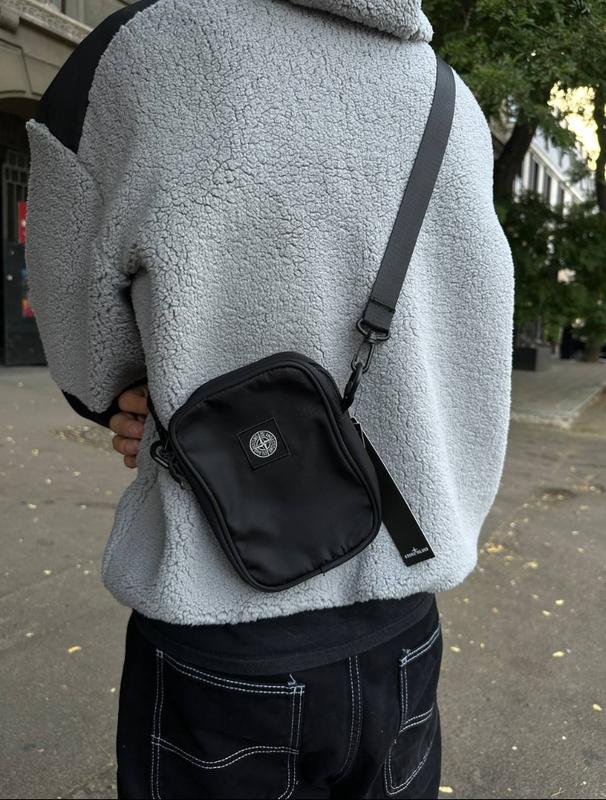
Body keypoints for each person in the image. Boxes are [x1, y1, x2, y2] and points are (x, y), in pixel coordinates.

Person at [24, 0, 514, 797]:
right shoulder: (453, 105)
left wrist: (149, 395)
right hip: (405, 629)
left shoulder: (134, 56)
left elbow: (87, 360)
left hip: (219, 634)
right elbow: (474, 352)